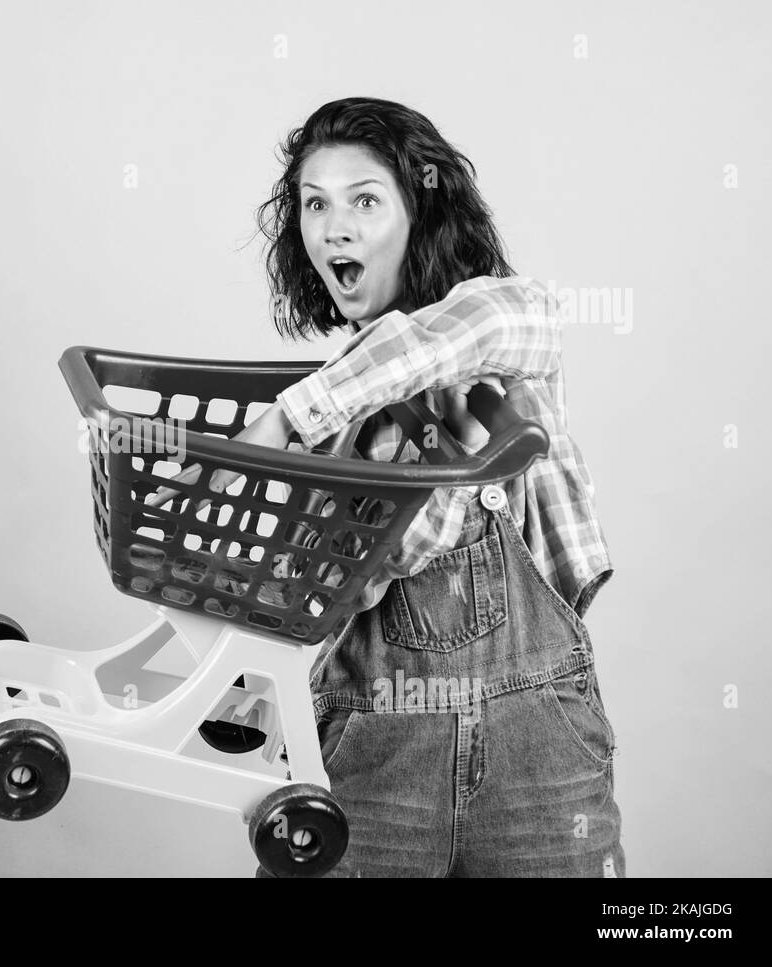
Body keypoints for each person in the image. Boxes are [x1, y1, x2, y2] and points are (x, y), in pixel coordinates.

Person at [153, 97, 623, 877]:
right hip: (372, 753)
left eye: (364, 200)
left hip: (541, 754)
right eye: (315, 205)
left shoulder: (498, 317)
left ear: (421, 214)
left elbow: (462, 333)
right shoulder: (348, 423)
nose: (334, 227)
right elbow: (331, 582)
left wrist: (282, 423)